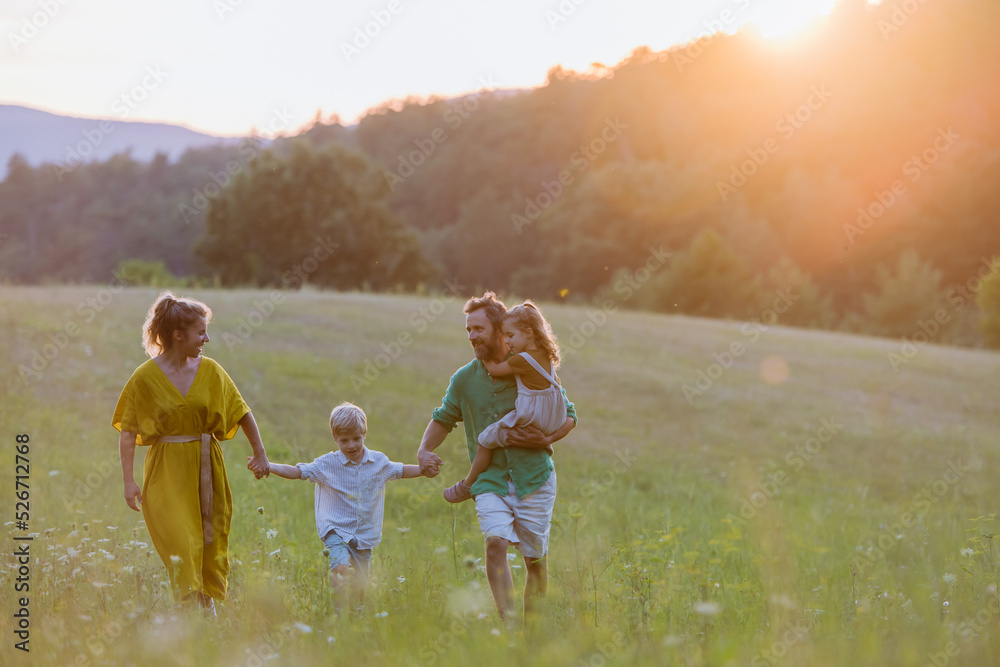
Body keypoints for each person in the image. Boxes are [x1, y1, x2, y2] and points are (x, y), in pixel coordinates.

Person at [417, 292, 577, 622]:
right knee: (495, 543)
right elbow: (444, 417)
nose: (472, 336)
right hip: (489, 478)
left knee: (535, 561)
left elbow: (570, 414)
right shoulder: (464, 379)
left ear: (500, 330)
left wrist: (547, 437)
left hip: (533, 476)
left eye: (478, 328)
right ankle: (508, 624)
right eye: (468, 330)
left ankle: (530, 633)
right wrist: (424, 450)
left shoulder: (527, 366)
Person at [112, 291, 270, 614]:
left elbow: (242, 412)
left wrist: (261, 453)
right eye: (201, 332)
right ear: (178, 336)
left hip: (205, 466)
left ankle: (206, 606)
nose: (207, 339)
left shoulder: (211, 371)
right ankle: (188, 609)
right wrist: (128, 482)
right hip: (166, 471)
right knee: (181, 541)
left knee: (208, 536)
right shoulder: (144, 378)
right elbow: (128, 432)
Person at [266, 401, 428, 613]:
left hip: (364, 534)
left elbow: (401, 470)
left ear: (364, 435)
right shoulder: (327, 464)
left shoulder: (378, 462)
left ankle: (356, 615)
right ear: (335, 439)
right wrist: (269, 465)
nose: (351, 445)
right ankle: (339, 614)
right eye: (344, 440)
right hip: (336, 530)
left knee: (360, 585)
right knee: (341, 568)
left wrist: (425, 470)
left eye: (356, 439)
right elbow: (298, 472)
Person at [443, 301, 565, 503]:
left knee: (485, 439)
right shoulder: (545, 357)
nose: (508, 341)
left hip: (530, 416)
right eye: (506, 336)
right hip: (553, 417)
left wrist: (482, 355)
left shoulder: (520, 361)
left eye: (511, 335)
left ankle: (468, 484)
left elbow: (494, 370)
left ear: (528, 333)